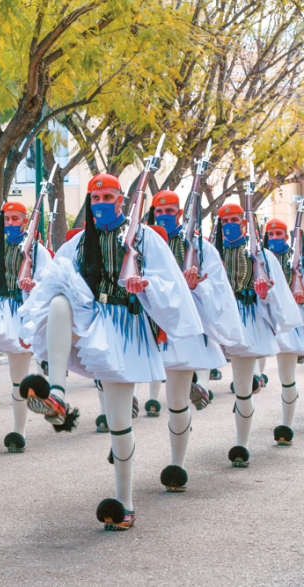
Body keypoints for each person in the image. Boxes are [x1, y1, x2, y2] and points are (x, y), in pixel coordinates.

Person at [19, 173, 204, 530]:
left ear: (122, 200)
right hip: (92, 318)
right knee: (58, 301)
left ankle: (125, 502)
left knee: (119, 421)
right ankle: (56, 393)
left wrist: (145, 282)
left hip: (126, 326)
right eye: (96, 197)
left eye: (108, 196)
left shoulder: (145, 238)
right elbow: (57, 275)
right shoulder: (78, 242)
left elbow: (172, 284)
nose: (101, 203)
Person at [143, 190, 244, 491]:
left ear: (181, 214)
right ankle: (120, 440)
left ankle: (177, 465)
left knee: (174, 401)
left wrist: (196, 286)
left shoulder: (200, 247)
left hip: (183, 331)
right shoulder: (144, 243)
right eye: (159, 212)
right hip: (149, 326)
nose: (165, 216)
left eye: (171, 211)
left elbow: (218, 290)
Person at [214, 205, 300, 467]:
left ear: (244, 223)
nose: (230, 223)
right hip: (220, 318)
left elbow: (281, 296)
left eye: (235, 219)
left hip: (253, 319)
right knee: (237, 385)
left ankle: (244, 443)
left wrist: (265, 294)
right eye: (225, 220)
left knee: (261, 382)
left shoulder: (260, 255)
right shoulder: (210, 252)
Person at [0, 202, 51, 452]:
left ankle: (19, 432)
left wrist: (32, 286)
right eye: (7, 219)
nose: (11, 223)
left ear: (26, 221)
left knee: (18, 379)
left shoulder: (39, 252)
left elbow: (48, 287)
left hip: (22, 314)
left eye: (16, 219)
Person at [258, 218, 303, 445]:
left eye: (279, 234)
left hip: (299, 320)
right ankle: (287, 424)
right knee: (287, 377)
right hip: (279, 323)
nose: (274, 238)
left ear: (287, 236)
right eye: (271, 234)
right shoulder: (262, 258)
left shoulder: (299, 258)